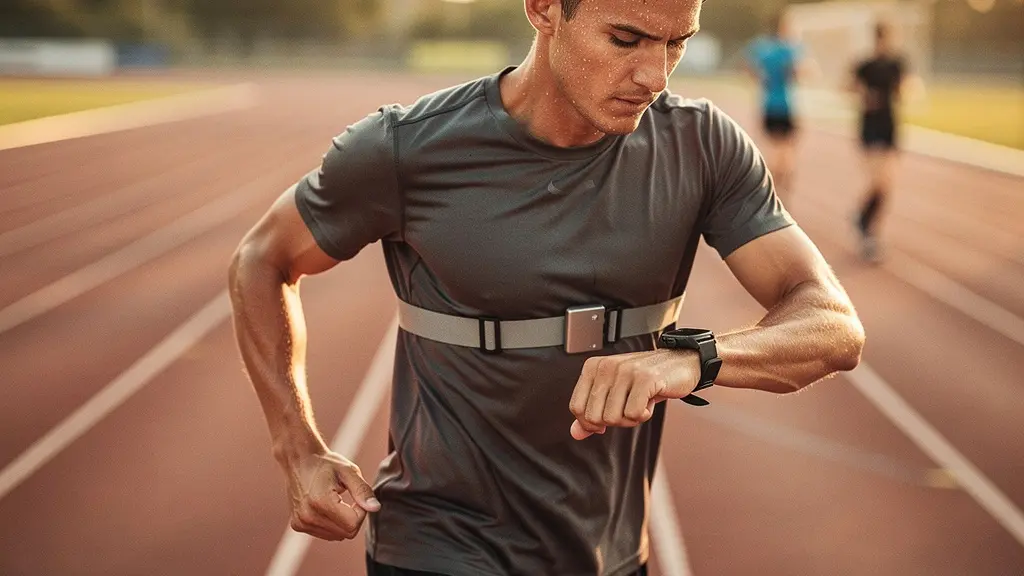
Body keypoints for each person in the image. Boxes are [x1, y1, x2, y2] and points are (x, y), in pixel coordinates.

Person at [228, 1, 866, 575]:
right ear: (543, 9)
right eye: (626, 40)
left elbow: (833, 325)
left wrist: (691, 360)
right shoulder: (407, 148)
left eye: (676, 44)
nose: (656, 76)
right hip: (439, 546)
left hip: (611, 553)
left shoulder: (701, 145)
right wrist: (297, 448)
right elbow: (261, 258)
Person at [848, 20, 918, 263]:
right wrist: (864, 95)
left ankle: (863, 219)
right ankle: (868, 230)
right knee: (878, 181)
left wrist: (909, 89)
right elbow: (847, 87)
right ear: (879, 38)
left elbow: (904, 89)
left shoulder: (898, 63)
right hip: (869, 127)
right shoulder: (865, 64)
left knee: (886, 185)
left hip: (890, 126)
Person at [744, 12, 810, 205]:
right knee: (785, 160)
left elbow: (748, 68)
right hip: (786, 107)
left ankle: (770, 198)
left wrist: (762, 78)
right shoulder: (790, 49)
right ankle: (775, 200)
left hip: (768, 105)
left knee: (776, 155)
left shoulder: (761, 47)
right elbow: (802, 71)